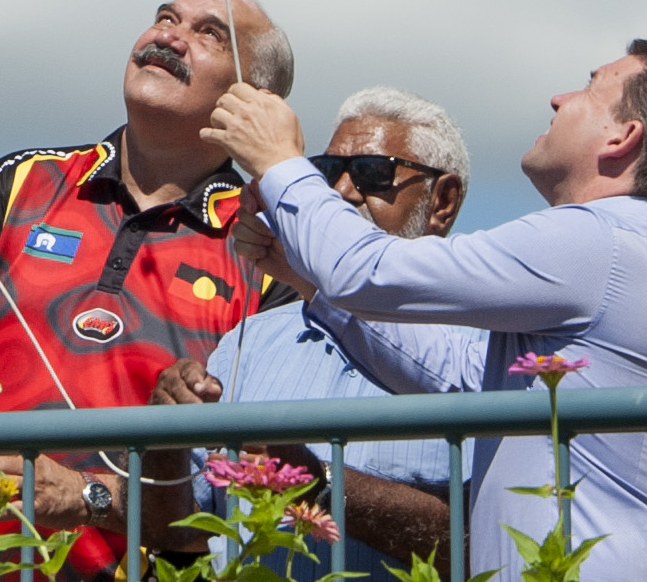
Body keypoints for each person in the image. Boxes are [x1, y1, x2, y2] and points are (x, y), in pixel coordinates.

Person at [205, 40, 647, 582]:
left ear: (622, 137)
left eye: (590, 87)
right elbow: (458, 377)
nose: (559, 99)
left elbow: (370, 271)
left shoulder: (599, 240)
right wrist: (307, 276)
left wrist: (279, 162)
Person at [0, 0, 295, 580]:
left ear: (255, 100)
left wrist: (88, 495)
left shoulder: (266, 249)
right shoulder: (19, 184)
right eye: (164, 17)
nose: (168, 36)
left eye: (209, 33)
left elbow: (261, 481)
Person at [143, 86, 476, 582]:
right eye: (325, 172)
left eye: (371, 172)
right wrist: (164, 435)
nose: (341, 191)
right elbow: (177, 532)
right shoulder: (249, 340)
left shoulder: (487, 337)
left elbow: (489, 539)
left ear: (442, 202)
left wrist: (315, 482)